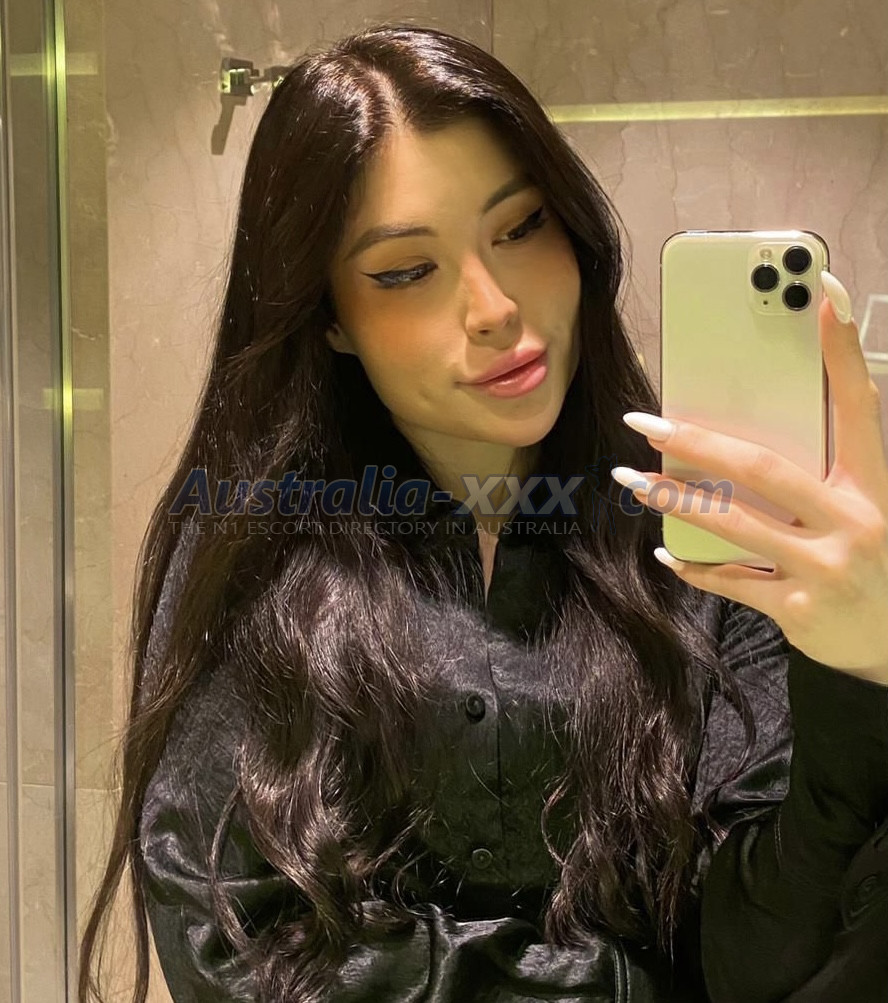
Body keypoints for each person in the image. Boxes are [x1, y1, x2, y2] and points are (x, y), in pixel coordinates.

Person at [78, 22, 888, 1003]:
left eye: (521, 226)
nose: (494, 305)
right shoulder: (258, 550)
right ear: (329, 314)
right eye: (405, 271)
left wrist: (861, 667)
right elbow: (233, 944)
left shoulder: (701, 540)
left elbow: (763, 954)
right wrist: (634, 978)